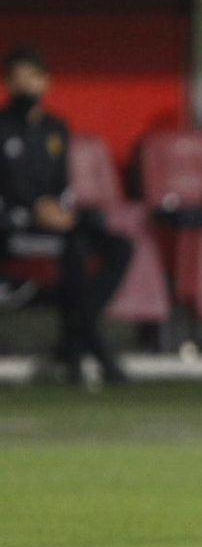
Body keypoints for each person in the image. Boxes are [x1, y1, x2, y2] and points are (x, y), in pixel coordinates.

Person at [0, 47, 132, 384]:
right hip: (14, 225)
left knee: (119, 246)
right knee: (73, 254)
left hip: (55, 221)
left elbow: (61, 184)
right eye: (18, 78)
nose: (25, 86)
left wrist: (59, 209)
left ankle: (77, 332)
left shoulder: (56, 128)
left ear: (46, 82)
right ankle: (92, 351)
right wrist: (32, 210)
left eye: (33, 77)